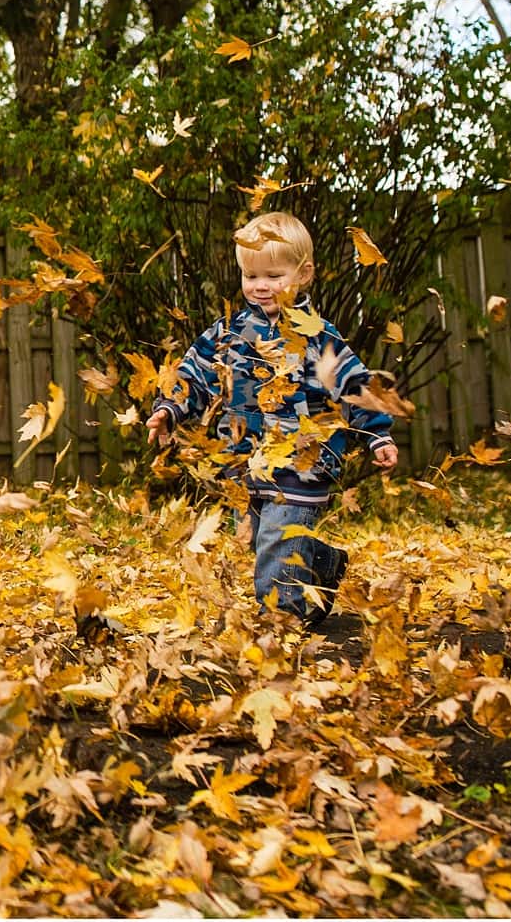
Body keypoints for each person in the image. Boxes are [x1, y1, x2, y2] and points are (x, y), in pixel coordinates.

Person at [145, 211, 399, 628]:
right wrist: (169, 408)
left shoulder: (317, 335)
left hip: (304, 461)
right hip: (246, 461)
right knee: (261, 538)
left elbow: (354, 384)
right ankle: (324, 561)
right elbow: (195, 374)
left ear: (304, 274)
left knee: (278, 542)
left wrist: (377, 435)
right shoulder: (228, 333)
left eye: (273, 275)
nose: (260, 286)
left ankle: (280, 622)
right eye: (251, 276)